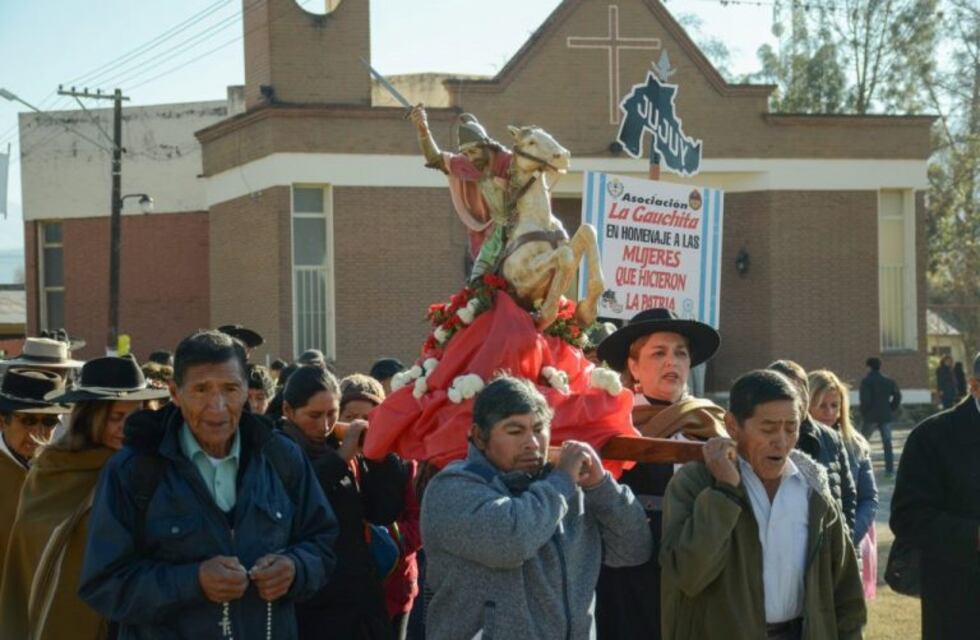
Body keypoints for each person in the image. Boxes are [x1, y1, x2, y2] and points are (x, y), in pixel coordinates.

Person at [77, 330, 338, 638]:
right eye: (201, 390)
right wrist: (193, 581)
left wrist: (295, 569)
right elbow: (104, 584)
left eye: (230, 389)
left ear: (246, 391)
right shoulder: (134, 470)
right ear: (175, 393)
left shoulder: (281, 457)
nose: (217, 406)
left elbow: (323, 542)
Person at [420, 376, 652, 640]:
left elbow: (633, 549)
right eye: (515, 431)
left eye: (539, 429)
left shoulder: (566, 489)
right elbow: (511, 542)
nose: (532, 442)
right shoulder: (452, 489)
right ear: (479, 437)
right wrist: (562, 481)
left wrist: (601, 486)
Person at [660, 369, 866, 640]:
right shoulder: (696, 483)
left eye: (791, 428)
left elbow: (845, 590)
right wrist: (725, 493)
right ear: (732, 425)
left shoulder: (813, 489)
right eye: (768, 429)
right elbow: (688, 575)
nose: (781, 441)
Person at [0, 356, 169, 639]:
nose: (126, 427)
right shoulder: (53, 470)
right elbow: (32, 556)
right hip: (68, 621)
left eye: (135, 416)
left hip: (140, 620)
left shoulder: (158, 468)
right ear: (90, 416)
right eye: (115, 417)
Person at [592, 307, 727, 639]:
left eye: (681, 353)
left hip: (698, 560)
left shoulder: (712, 422)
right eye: (659, 353)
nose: (672, 362)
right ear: (634, 366)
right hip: (630, 574)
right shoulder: (611, 423)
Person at [281, 365, 408, 639]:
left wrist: (380, 453)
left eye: (331, 414)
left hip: (361, 603)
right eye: (313, 416)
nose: (324, 426)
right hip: (315, 609)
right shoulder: (277, 450)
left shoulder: (337, 446)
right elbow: (297, 496)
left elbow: (382, 512)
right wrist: (340, 459)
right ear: (288, 411)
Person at [891, 352, 980, 639]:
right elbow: (907, 517)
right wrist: (974, 535)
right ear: (974, 385)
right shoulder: (932, 437)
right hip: (959, 599)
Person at [340, 374, 421, 640]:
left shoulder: (404, 462)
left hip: (394, 587)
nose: (361, 426)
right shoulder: (328, 463)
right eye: (351, 417)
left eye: (370, 417)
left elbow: (419, 521)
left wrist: (384, 541)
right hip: (343, 590)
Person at [409, 105, 513, 282]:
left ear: (486, 146)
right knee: (478, 282)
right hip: (486, 239)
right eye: (466, 153)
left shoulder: (508, 161)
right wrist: (423, 129)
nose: (470, 158)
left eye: (473, 151)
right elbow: (435, 158)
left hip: (514, 232)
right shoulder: (466, 164)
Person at [809, 369, 879, 599]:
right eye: (822, 405)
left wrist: (849, 534)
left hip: (850, 547)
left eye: (835, 405)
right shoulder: (798, 445)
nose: (830, 413)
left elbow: (868, 498)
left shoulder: (855, 444)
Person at [769, 360, 857, 531]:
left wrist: (842, 543)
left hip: (827, 548)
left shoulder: (831, 438)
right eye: (787, 391)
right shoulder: (756, 439)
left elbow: (848, 498)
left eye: (801, 389)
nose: (797, 398)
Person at [0, 369, 69, 576]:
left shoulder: (64, 471)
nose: (38, 433)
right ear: (3, 420)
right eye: (28, 421)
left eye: (49, 422)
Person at [858, 356, 902, 476]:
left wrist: (864, 412)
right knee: (887, 443)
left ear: (869, 367)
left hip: (870, 416)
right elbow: (897, 396)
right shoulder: (888, 381)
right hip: (885, 415)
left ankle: (859, 467)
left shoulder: (866, 381)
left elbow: (865, 400)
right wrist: (891, 408)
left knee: (861, 442)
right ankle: (889, 470)